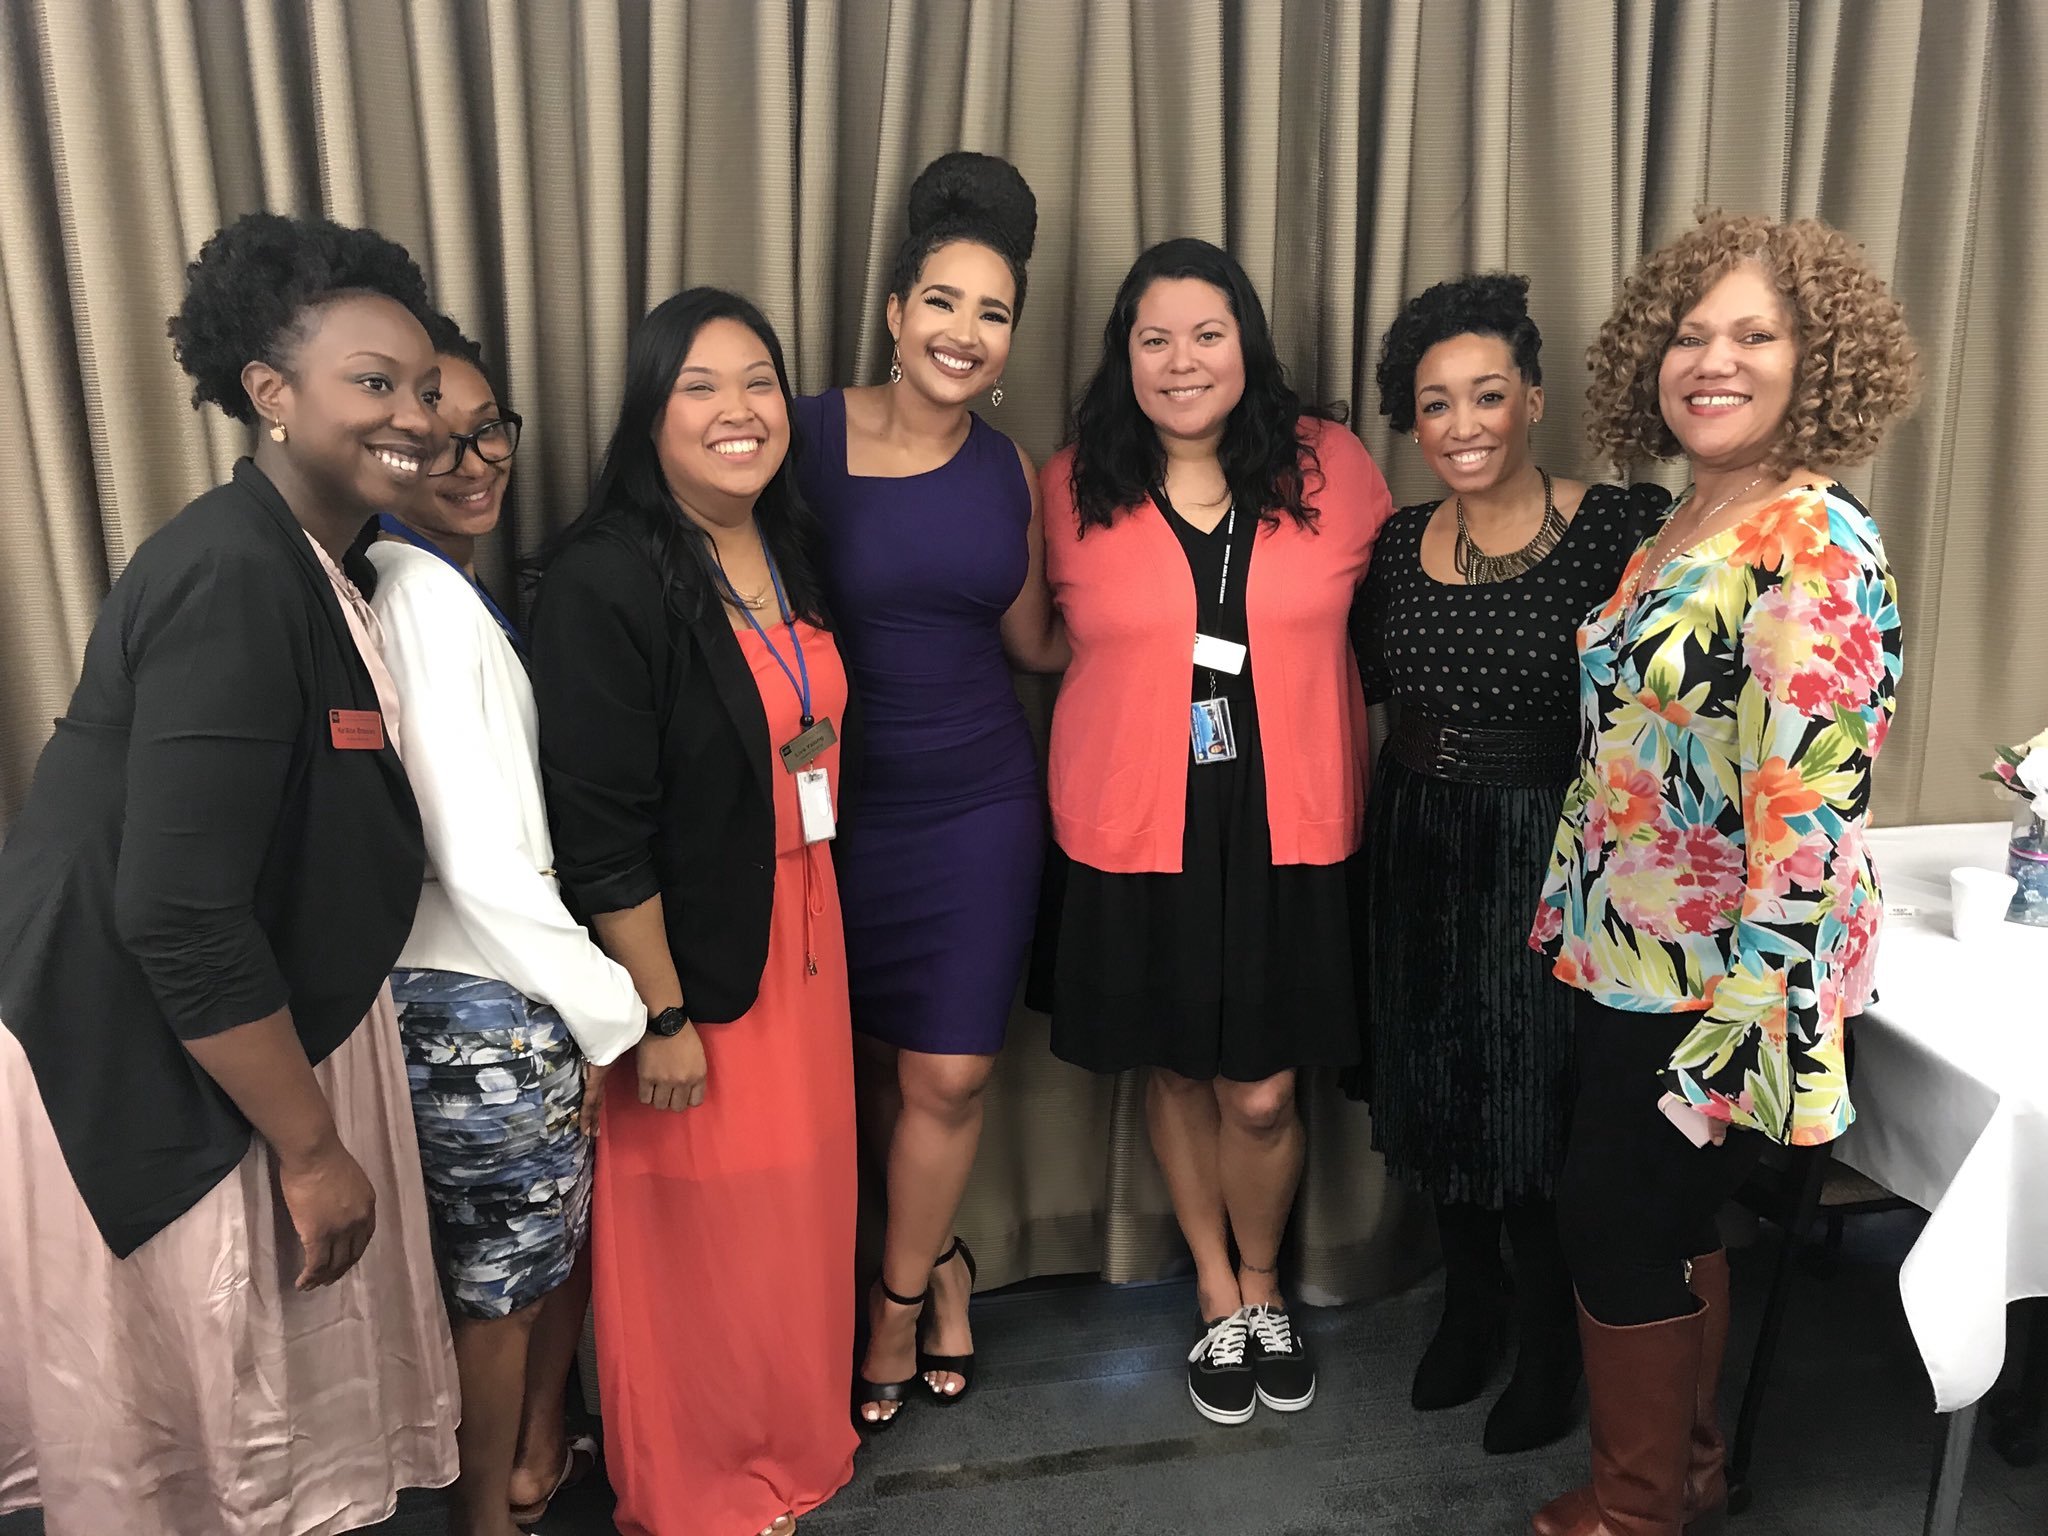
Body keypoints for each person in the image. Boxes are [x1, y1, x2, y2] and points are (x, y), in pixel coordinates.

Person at [0, 212, 459, 1535]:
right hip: (148, 1048)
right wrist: (312, 1150)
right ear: (271, 392)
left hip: (219, 1031)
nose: (416, 415)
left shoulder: (308, 559)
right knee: (204, 1439)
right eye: (373, 381)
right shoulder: (234, 575)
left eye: (425, 385)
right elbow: (179, 910)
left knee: (244, 1433)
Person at [1528, 211, 1918, 1536]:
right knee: (1664, 1219)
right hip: (1631, 946)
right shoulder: (1691, 518)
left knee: (1613, 1219)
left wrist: (1749, 1019)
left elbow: (1811, 805)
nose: (1714, 360)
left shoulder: (1813, 541)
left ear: (1817, 361)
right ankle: (1685, 1475)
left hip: (1719, 974)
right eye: (1690, 335)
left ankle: (1636, 1512)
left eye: (1755, 335)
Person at [1042, 237, 1393, 1427]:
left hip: (1292, 822)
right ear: (1123, 355)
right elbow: (1033, 640)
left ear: (1246, 344)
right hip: (1138, 823)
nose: (1180, 361)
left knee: (1261, 1094)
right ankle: (1214, 1289)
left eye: (1205, 334)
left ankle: (1264, 1280)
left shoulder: (1330, 465)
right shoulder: (1070, 483)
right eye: (1154, 338)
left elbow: (1386, 620)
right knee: (1178, 1069)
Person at [529, 289, 857, 1536]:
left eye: (759, 380)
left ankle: (789, 1437)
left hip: (805, 922)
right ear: (648, 415)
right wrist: (662, 1014)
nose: (739, 410)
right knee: (701, 1228)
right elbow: (599, 830)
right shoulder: (607, 576)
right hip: (690, 961)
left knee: (792, 1212)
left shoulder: (783, 540)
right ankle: (701, 1487)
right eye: (700, 386)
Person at [1350, 274, 1667, 1452]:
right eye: (1435, 404)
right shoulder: (1393, 545)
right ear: (1411, 421)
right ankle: (1468, 1305)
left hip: (1549, 847)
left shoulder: (1618, 529)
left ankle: (1547, 1341)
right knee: (1432, 1087)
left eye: (1486, 395)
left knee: (1537, 1104)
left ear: (1532, 398)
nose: (1462, 424)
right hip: (1416, 845)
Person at [790, 150, 1064, 1428]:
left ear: (1008, 342)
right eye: (942, 302)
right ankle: (942, 1259)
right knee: (856, 1075)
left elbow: (1035, 645)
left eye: (992, 312)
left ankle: (895, 1305)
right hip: (830, 818)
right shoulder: (799, 435)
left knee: (947, 1078)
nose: (964, 330)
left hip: (979, 809)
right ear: (896, 313)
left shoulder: (1010, 473)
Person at [366, 319, 645, 1535]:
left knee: (515, 1283)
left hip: (478, 988)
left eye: (489, 432)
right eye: (437, 441)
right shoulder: (419, 597)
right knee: (497, 1301)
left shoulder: (433, 584)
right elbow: (478, 860)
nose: (473, 461)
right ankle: (489, 1513)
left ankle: (522, 1476)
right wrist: (612, 1012)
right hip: (482, 997)